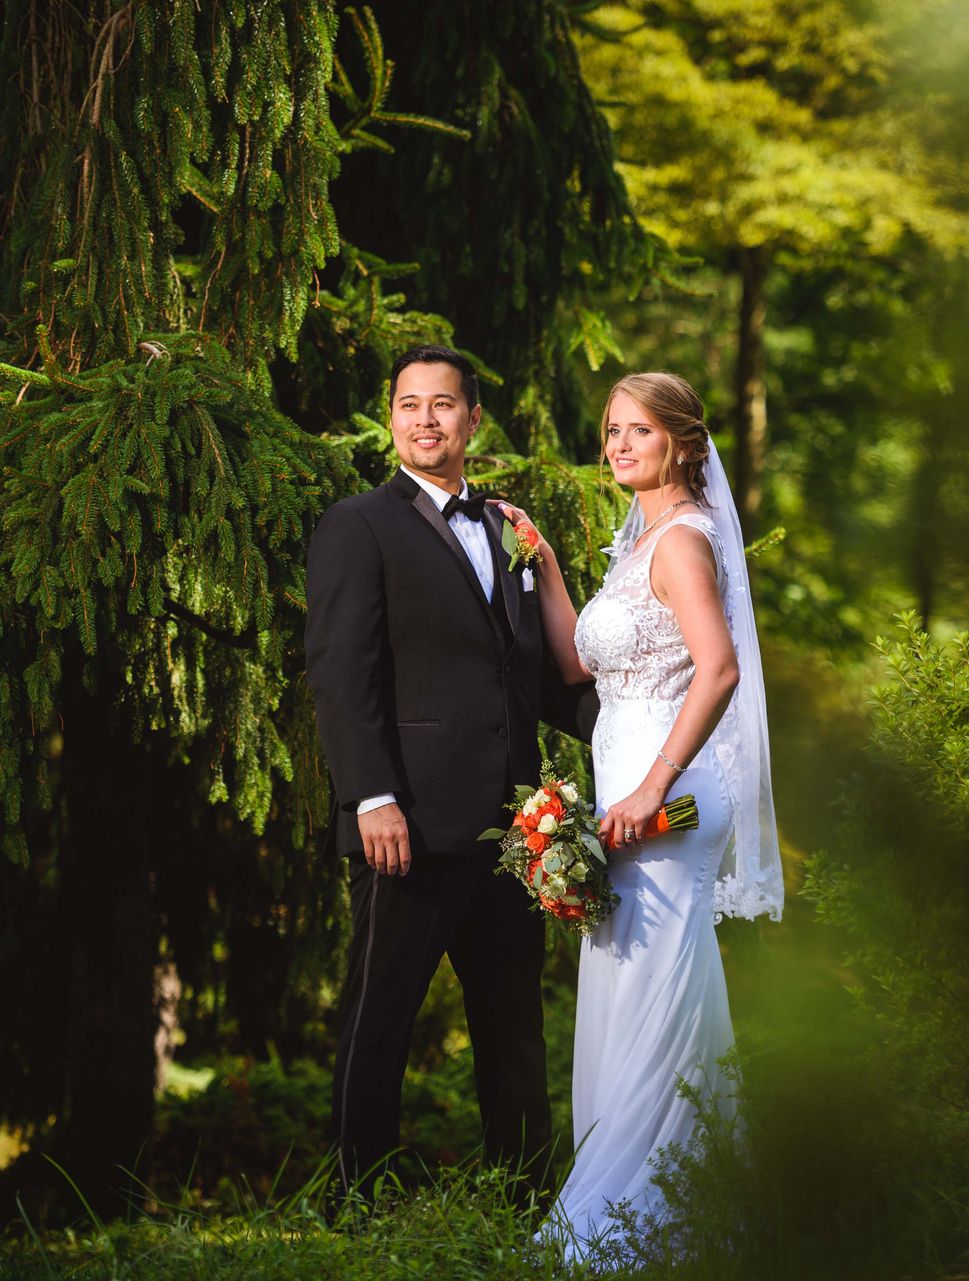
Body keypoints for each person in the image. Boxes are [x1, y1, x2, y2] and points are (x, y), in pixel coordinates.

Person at [303, 344, 599, 1203]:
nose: (425, 419)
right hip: (408, 826)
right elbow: (340, 670)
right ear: (392, 418)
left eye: (443, 405)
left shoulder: (509, 529)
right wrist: (372, 796)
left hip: (512, 832)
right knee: (378, 1021)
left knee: (514, 1031)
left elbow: (530, 679)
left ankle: (529, 1204)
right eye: (408, 404)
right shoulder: (357, 524)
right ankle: (356, 1206)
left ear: (473, 420)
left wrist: (641, 739)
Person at [500, 371, 784, 1260]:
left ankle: (637, 1221)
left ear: (683, 444)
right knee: (632, 988)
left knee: (654, 987)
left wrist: (654, 787)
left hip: (678, 798)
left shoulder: (685, 542)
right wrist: (546, 563)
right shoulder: (640, 541)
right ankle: (672, 1204)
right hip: (627, 806)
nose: (619, 444)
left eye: (640, 431)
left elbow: (720, 667)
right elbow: (582, 667)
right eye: (612, 429)